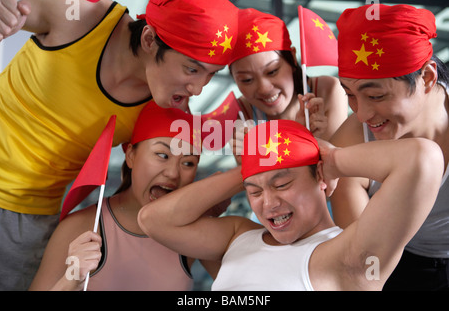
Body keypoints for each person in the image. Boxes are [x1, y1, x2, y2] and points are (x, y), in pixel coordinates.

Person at [0, 0, 238, 290]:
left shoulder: (167, 107)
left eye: (211, 75)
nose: (199, 89)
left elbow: (167, 175)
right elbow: (13, 4)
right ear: (150, 39)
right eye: (192, 69)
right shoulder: (79, 15)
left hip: (28, 220)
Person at [137, 119, 443, 290]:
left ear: (320, 175)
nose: (268, 203)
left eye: (282, 184)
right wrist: (247, 169)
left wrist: (332, 159)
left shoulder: (349, 257)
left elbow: (422, 159)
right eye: (253, 192)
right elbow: (153, 220)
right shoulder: (238, 234)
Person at [30, 100, 224, 291]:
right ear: (131, 156)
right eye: (162, 155)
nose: (173, 173)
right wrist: (71, 278)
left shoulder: (192, 232)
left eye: (188, 163)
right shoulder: (82, 226)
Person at [330, 4, 449, 290]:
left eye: (376, 95)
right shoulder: (351, 142)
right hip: (397, 263)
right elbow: (361, 259)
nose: (361, 115)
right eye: (350, 95)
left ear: (427, 78)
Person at [229, 8, 347, 141]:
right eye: (247, 80)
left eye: (272, 71)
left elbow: (337, 159)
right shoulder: (240, 113)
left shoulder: (327, 90)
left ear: (291, 57)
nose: (264, 88)